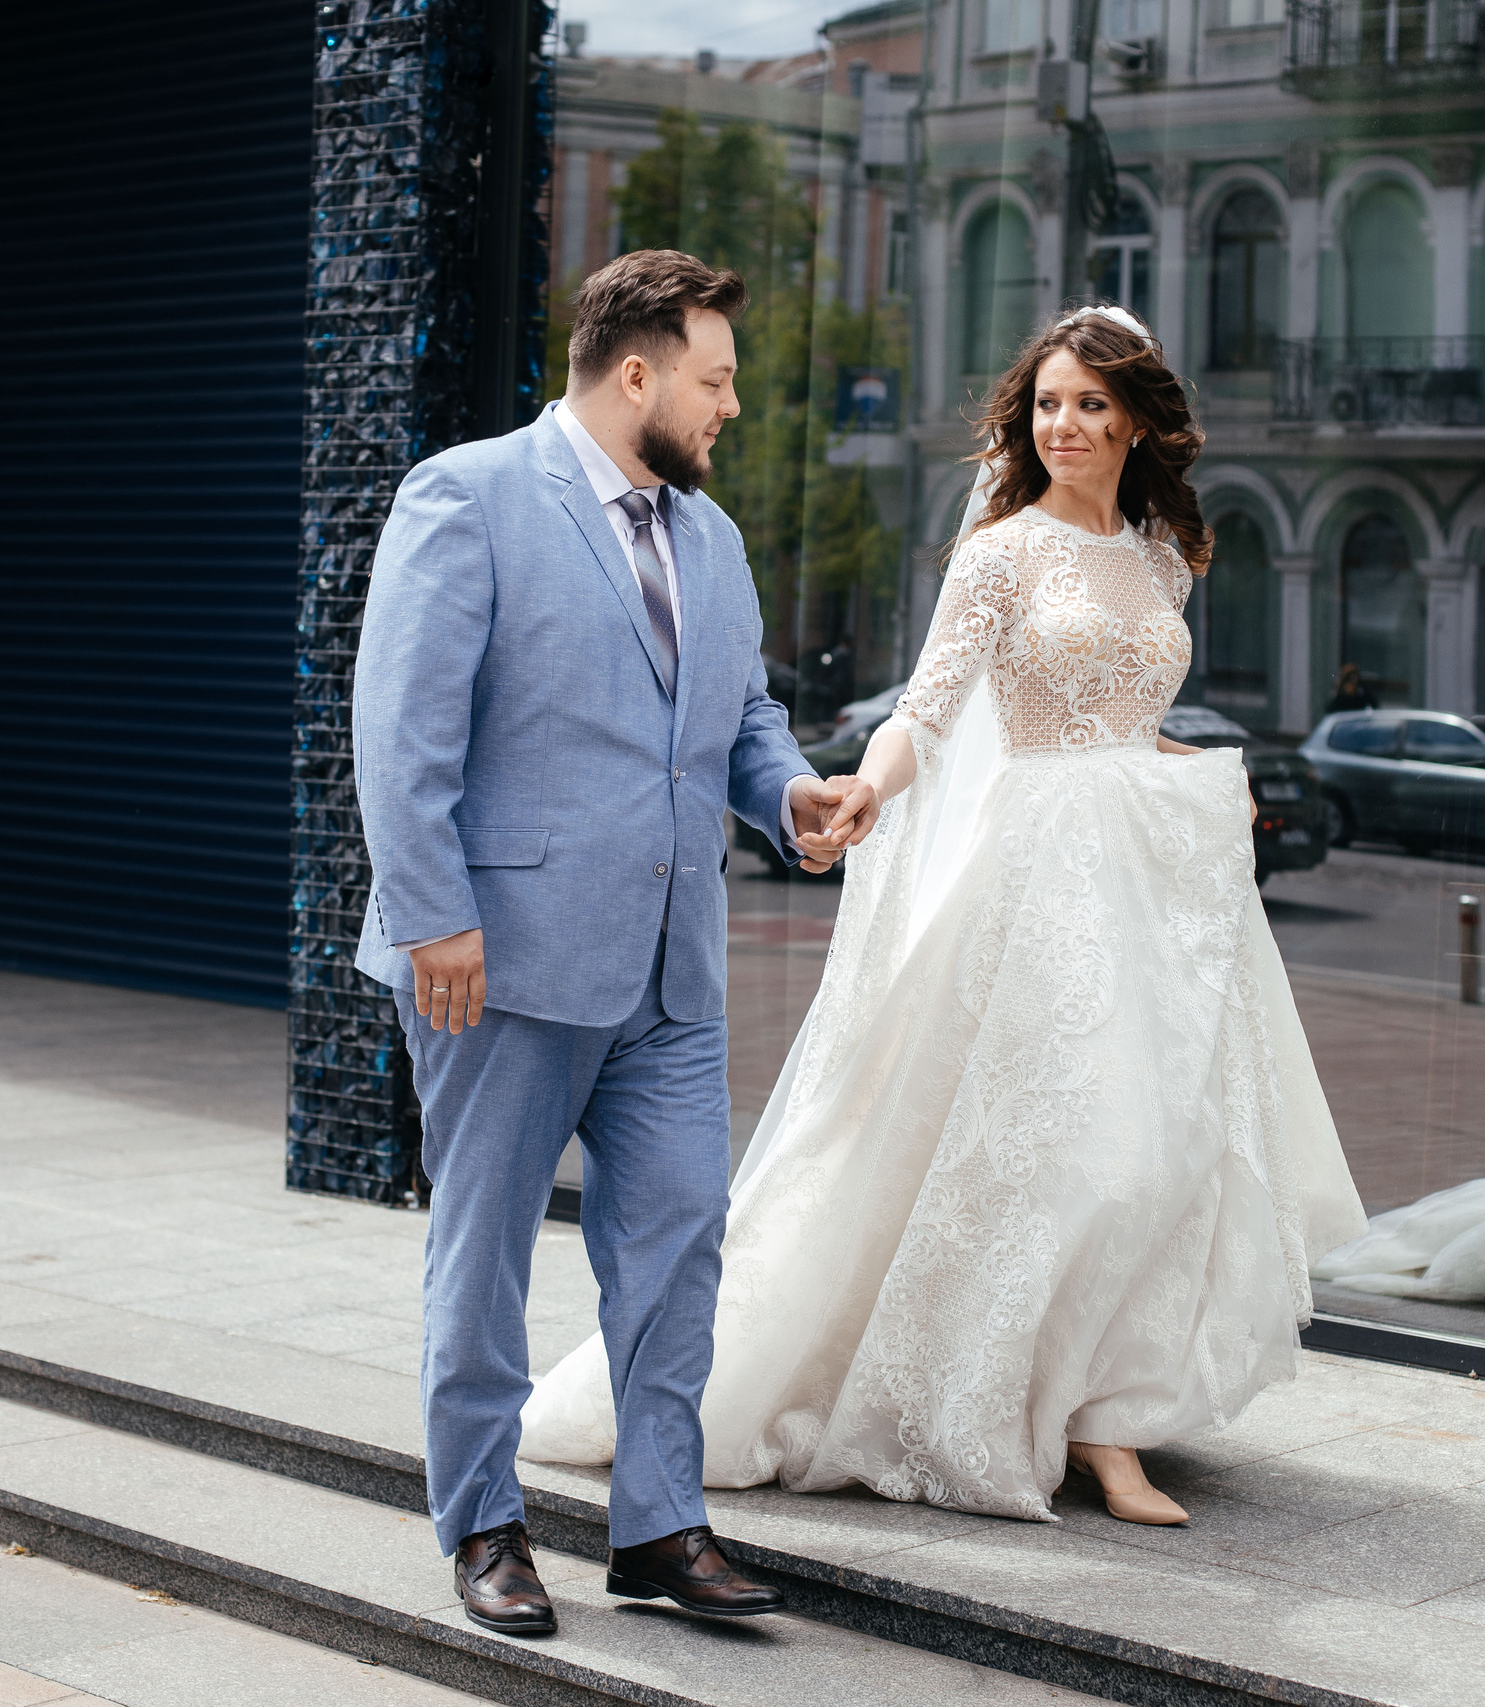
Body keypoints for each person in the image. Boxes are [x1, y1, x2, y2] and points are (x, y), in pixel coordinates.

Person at [521, 306, 1365, 1528]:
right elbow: (928, 709)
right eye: (1044, 405)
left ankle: (1108, 1416)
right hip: (1044, 881)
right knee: (1083, 1149)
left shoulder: (1162, 553)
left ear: (1133, 417)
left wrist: (1192, 773)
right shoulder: (1000, 555)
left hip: (1159, 878)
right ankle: (1056, 1413)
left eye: (1086, 403)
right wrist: (864, 783)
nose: (1062, 425)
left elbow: (1128, 707)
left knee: (1171, 1147)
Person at [352, 250, 873, 1636]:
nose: (733, 408)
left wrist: (793, 791)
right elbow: (399, 728)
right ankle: (483, 1519)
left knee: (678, 1242)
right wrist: (434, 916)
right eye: (716, 381)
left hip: (669, 965)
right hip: (495, 955)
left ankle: (655, 1522)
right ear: (635, 373)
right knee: (485, 1252)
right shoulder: (465, 495)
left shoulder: (711, 537)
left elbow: (743, 715)